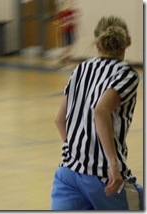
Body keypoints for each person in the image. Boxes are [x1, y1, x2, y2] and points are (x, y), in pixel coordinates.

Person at [51, 16, 143, 210]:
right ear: (128, 41)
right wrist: (112, 164)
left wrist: (78, 154)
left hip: (67, 173)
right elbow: (101, 111)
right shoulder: (126, 73)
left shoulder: (81, 69)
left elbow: (59, 120)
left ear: (97, 41)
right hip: (103, 177)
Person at [55, 0, 79, 65]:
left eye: (72, 3)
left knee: (71, 45)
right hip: (65, 31)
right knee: (67, 45)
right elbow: (57, 22)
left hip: (71, 30)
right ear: (65, 4)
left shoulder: (73, 12)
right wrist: (63, 24)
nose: (71, 5)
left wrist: (76, 26)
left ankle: (65, 57)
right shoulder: (63, 13)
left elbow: (75, 20)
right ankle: (63, 57)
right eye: (69, 3)